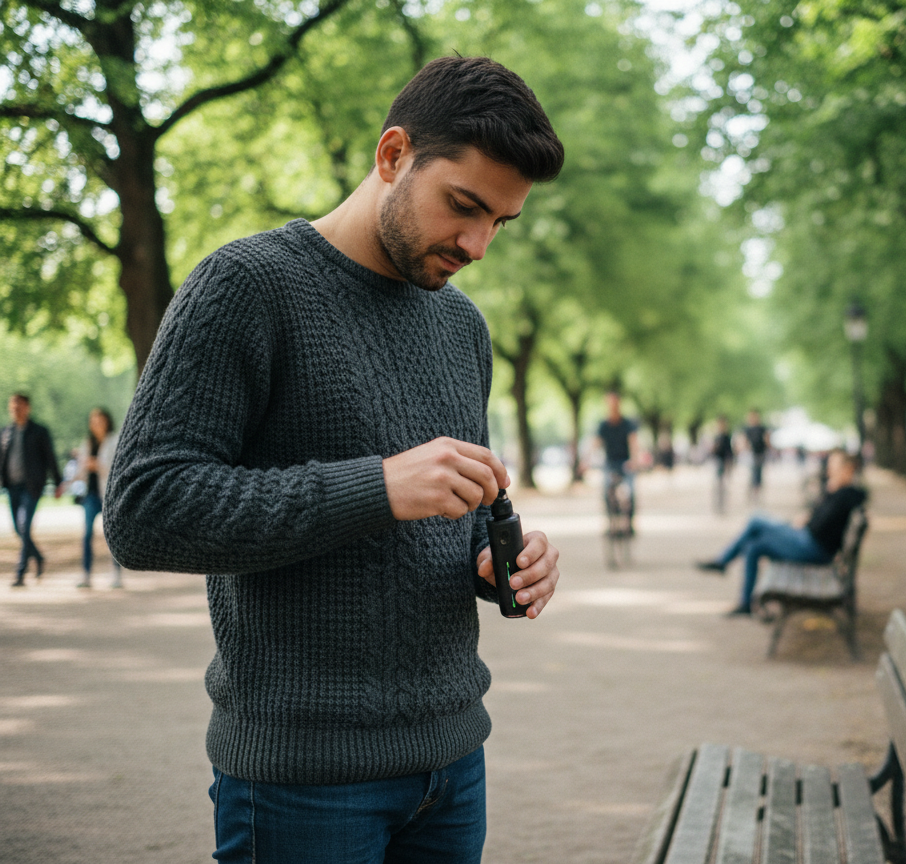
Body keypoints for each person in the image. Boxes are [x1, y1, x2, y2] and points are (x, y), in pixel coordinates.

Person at [104, 56, 563, 864]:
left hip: (454, 764)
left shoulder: (464, 331)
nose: (478, 244)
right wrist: (378, 485)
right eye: (464, 206)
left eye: (500, 221)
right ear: (393, 156)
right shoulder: (244, 286)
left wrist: (494, 566)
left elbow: (425, 526)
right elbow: (143, 512)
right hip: (303, 782)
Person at [698, 448, 867, 616]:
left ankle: (725, 566)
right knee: (753, 544)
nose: (829, 470)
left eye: (834, 466)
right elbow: (821, 518)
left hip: (813, 548)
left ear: (848, 469)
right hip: (807, 540)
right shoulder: (841, 493)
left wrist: (823, 501)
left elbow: (821, 525)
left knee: (756, 522)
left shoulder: (846, 494)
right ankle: (743, 599)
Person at [1, 393, 62, 586]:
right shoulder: (6, 432)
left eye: (19, 405)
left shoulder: (39, 431)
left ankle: (20, 572)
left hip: (32, 486)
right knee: (18, 529)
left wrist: (58, 482)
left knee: (24, 526)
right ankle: (38, 557)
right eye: (13, 406)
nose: (16, 409)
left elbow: (50, 457)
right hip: (12, 486)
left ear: (27, 407)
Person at [71, 408, 121, 589]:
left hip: (109, 495)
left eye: (100, 421)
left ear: (107, 422)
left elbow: (118, 467)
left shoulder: (115, 441)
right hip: (90, 495)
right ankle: (86, 575)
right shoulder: (87, 443)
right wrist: (67, 482)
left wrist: (97, 465)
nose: (96, 424)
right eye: (93, 421)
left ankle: (116, 574)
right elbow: (81, 470)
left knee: (112, 536)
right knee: (87, 535)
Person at [597, 391, 638, 534]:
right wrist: (585, 461)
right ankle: (610, 522)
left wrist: (633, 460)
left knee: (631, 491)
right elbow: (595, 443)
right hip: (610, 463)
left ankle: (630, 523)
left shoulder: (627, 424)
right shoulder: (603, 425)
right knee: (606, 490)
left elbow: (633, 443)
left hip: (625, 462)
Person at [742, 409, 770, 503]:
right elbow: (745, 441)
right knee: (754, 473)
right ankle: (753, 492)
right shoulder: (748, 429)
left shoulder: (762, 428)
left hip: (760, 454)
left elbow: (767, 440)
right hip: (752, 454)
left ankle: (756, 493)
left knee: (758, 473)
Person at [710, 414, 734, 514]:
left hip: (724, 463)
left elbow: (730, 452)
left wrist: (729, 464)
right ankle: (718, 505)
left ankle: (722, 505)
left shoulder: (727, 437)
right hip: (717, 463)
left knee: (723, 485)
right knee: (718, 484)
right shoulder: (716, 437)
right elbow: (713, 452)